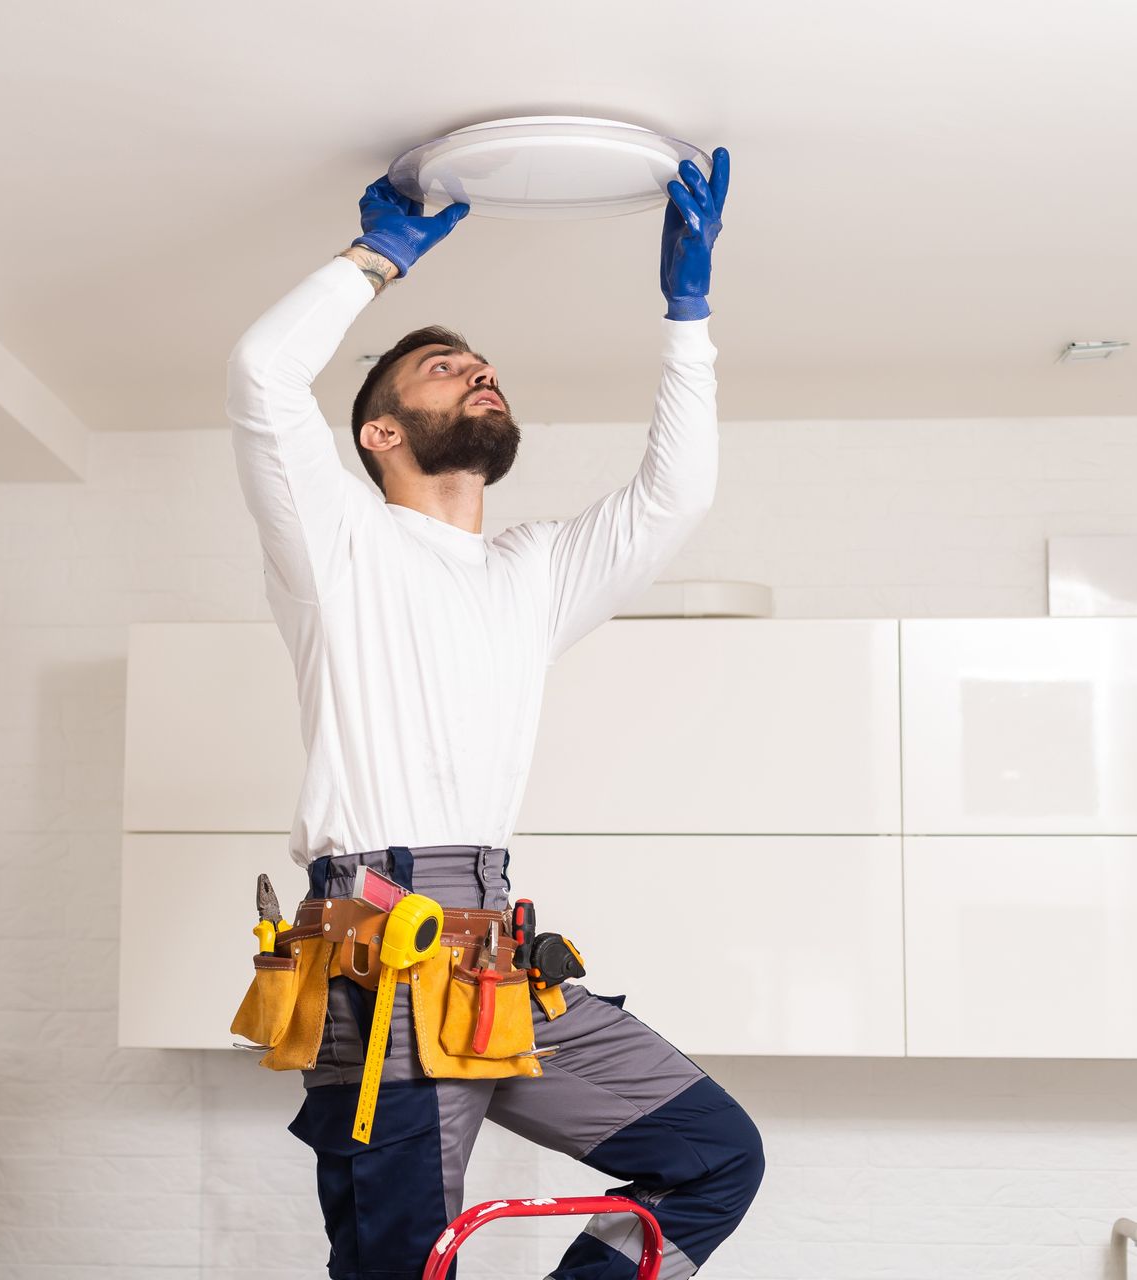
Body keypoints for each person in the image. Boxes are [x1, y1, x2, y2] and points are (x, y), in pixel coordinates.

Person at [224, 151, 762, 1280]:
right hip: (378, 951)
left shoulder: (533, 573)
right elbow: (264, 372)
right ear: (376, 434)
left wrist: (688, 317)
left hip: (496, 957)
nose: (478, 369)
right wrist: (374, 260)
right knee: (401, 1266)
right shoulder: (338, 545)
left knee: (714, 1156)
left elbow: (678, 493)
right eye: (441, 364)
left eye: (482, 365)